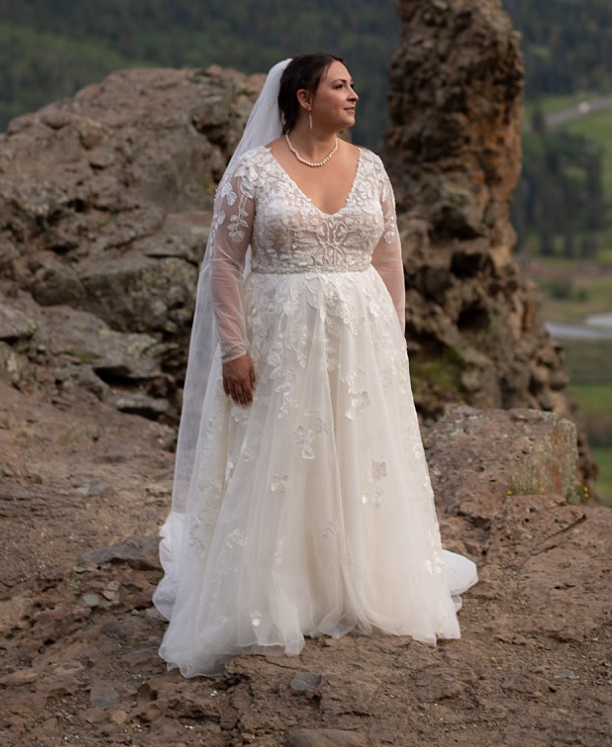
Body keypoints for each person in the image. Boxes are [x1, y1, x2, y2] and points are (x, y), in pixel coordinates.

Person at [153, 54, 477, 677]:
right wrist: (233, 348)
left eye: (352, 84)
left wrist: (393, 339)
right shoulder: (253, 171)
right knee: (283, 452)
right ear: (304, 98)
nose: (355, 94)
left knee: (355, 450)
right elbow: (222, 262)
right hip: (278, 334)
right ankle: (280, 586)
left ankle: (354, 577)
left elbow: (388, 259)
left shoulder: (371, 167)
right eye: (340, 85)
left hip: (361, 336)